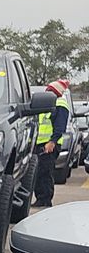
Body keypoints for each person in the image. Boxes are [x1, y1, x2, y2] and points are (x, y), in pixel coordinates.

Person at [34, 78, 71, 209]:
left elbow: (60, 126)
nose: (47, 92)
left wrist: (52, 142)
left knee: (45, 172)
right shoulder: (50, 103)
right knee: (39, 172)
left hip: (50, 144)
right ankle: (40, 198)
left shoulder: (60, 103)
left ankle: (45, 200)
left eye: (50, 90)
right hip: (41, 143)